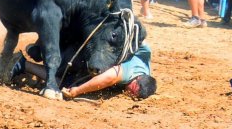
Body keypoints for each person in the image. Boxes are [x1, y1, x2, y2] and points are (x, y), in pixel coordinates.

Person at [10, 41, 157, 99]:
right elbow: (109, 78)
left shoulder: (145, 73)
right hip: (96, 45)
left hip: (108, 43)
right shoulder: (131, 72)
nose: (130, 93)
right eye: (133, 91)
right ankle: (24, 64)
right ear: (137, 81)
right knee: (65, 83)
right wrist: (77, 91)